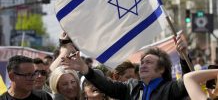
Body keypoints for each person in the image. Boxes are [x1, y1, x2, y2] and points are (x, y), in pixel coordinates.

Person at [61, 35, 191, 100]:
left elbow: (188, 82)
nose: (143, 65)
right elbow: (107, 86)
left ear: (161, 69)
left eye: (149, 62)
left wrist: (184, 57)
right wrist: (85, 69)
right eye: (143, 62)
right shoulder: (131, 87)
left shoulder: (170, 89)